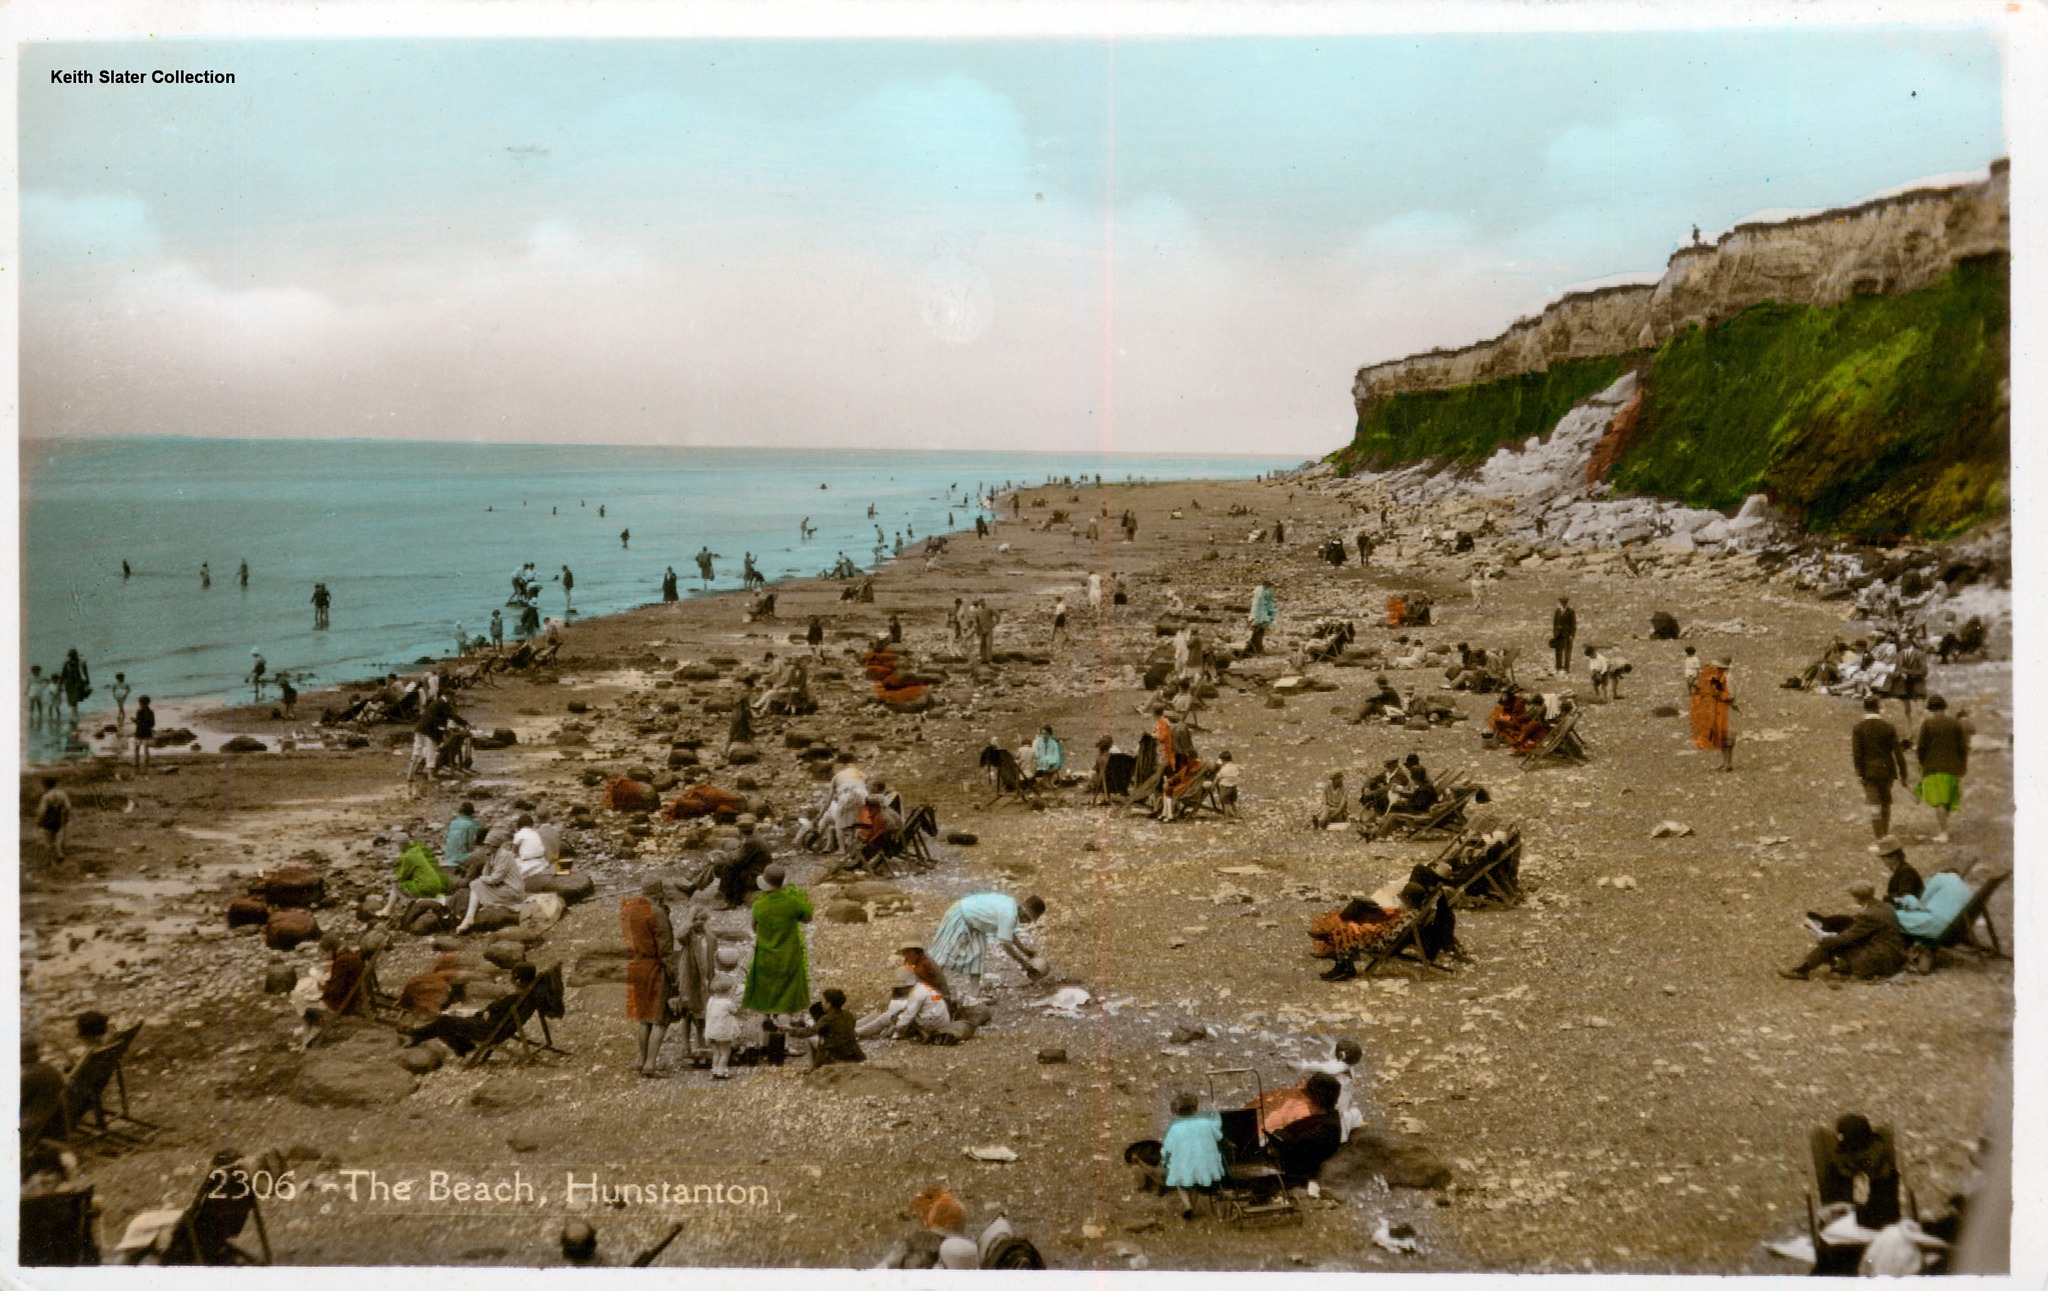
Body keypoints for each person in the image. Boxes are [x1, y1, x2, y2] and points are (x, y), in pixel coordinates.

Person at [929, 892, 1047, 1002]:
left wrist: (1025, 951)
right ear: (1024, 912)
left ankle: (973, 997)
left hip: (974, 923)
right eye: (1029, 919)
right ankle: (927, 987)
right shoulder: (1009, 915)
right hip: (961, 915)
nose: (1027, 923)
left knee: (977, 957)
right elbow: (1006, 944)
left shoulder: (1012, 907)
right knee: (944, 954)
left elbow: (1009, 933)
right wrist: (1023, 963)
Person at [1780, 881, 1908, 980]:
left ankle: (1803, 970)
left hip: (1881, 959)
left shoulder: (1869, 916)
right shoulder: (1886, 907)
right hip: (1894, 955)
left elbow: (1846, 938)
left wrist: (1824, 938)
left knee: (1832, 945)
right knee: (1837, 941)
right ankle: (1826, 967)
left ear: (1857, 897)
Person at [621, 879, 679, 1078]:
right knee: (659, 1018)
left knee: (644, 1018)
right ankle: (650, 1064)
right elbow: (665, 950)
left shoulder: (631, 909)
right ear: (659, 893)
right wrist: (676, 976)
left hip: (637, 965)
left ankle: (641, 1059)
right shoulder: (658, 912)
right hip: (655, 966)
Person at [743, 865, 813, 1020]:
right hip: (789, 956)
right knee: (785, 1002)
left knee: (764, 1002)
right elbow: (808, 917)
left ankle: (763, 1041)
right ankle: (782, 1041)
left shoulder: (758, 906)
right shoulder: (791, 903)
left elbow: (754, 928)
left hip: (765, 956)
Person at [1266, 1073, 1345, 1183]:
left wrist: (1282, 1139)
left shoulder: (1327, 1128)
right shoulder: (1321, 1119)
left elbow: (1296, 1147)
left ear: (1316, 1099)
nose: (1305, 1100)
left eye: (1308, 1096)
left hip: (1298, 1176)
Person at [1158, 1093, 1226, 1218]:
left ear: (1177, 1112)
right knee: (1194, 1186)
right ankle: (1192, 1209)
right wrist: (1215, 1111)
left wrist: (1164, 1160)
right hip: (1203, 1163)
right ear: (1195, 1109)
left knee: (1181, 1185)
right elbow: (1218, 1130)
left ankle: (1187, 1206)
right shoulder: (1205, 1123)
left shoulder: (1175, 1128)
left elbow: (1168, 1148)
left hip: (1183, 1163)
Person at [1851, 696, 1908, 843]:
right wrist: (1904, 774)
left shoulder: (1858, 728)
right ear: (1878, 708)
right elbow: (1898, 753)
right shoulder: (1888, 727)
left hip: (1868, 772)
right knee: (1886, 802)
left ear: (1865, 708)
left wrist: (1859, 773)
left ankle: (1879, 838)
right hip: (1887, 771)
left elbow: (1857, 755)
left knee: (1874, 805)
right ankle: (1885, 834)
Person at [1914, 694, 1968, 843]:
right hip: (1952, 768)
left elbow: (1921, 747)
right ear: (1944, 707)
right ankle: (1944, 828)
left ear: (1931, 709)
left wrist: (1921, 762)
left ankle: (1944, 832)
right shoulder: (1955, 724)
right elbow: (1962, 748)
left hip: (1933, 768)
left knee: (1938, 802)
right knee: (1948, 801)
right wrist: (1962, 766)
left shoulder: (1928, 724)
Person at [453, 835, 526, 934]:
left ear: (495, 845)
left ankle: (469, 917)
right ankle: (469, 917)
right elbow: (485, 874)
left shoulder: (505, 855)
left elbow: (495, 878)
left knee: (476, 884)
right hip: (502, 887)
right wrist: (487, 861)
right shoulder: (492, 855)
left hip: (512, 889)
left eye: (488, 845)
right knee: (477, 884)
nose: (486, 848)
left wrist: (482, 879)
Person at [856, 968, 951, 1041]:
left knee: (887, 1017)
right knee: (891, 1013)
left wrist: (896, 1027)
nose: (900, 991)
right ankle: (857, 1025)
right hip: (938, 1019)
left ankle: (857, 1032)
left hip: (932, 1024)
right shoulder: (921, 987)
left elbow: (905, 1020)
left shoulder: (916, 994)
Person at [673, 907, 718, 1058]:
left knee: (702, 1012)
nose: (699, 922)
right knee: (687, 1011)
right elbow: (679, 935)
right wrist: (688, 923)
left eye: (702, 919)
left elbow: (714, 959)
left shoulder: (710, 938)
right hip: (690, 977)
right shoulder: (688, 937)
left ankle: (702, 1044)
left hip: (704, 979)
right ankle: (685, 1046)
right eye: (696, 919)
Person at [781, 989, 865, 1067]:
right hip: (852, 1053)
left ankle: (813, 1068)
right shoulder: (848, 1015)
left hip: (833, 1053)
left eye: (823, 1001)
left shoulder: (827, 1019)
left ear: (829, 1004)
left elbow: (810, 1032)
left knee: (810, 1040)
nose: (822, 1004)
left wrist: (790, 1031)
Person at [705, 816, 775, 908]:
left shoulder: (751, 841)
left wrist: (723, 857)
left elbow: (736, 861)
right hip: (757, 870)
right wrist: (725, 855)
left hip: (757, 875)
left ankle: (730, 901)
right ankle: (724, 894)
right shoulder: (753, 836)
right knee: (723, 863)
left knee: (728, 867)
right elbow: (740, 854)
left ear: (740, 830)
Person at [703, 948, 744, 1080]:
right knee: (725, 1053)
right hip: (723, 1033)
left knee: (716, 1053)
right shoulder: (727, 1003)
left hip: (711, 1032)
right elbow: (735, 1011)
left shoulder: (711, 1001)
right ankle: (722, 1072)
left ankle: (714, 1071)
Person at [1691, 655, 1735, 770]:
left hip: (1725, 708)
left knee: (1727, 737)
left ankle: (1728, 763)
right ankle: (1725, 762)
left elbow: (1730, 695)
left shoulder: (1727, 677)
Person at [1875, 836, 1924, 901]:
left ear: (1894, 857)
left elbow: (1905, 898)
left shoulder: (1906, 873)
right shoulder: (1901, 871)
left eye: (1884, 858)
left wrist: (1888, 899)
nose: (1883, 861)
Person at [35, 777, 72, 862]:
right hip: (60, 818)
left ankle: (50, 860)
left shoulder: (46, 796)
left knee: (48, 842)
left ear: (46, 786)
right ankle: (60, 854)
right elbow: (68, 807)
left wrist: (39, 821)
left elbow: (42, 811)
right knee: (59, 839)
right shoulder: (62, 794)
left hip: (48, 820)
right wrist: (66, 817)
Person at [444, 802, 483, 874]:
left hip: (448, 857)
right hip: (461, 858)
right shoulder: (471, 825)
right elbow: (470, 845)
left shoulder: (453, 823)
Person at [58, 648, 91, 723]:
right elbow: (62, 675)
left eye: (72, 656)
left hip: (75, 684)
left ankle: (74, 717)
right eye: (71, 656)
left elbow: (62, 675)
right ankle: (74, 716)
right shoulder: (69, 663)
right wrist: (59, 685)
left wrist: (59, 685)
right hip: (70, 684)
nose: (72, 657)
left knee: (73, 700)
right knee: (72, 701)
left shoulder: (78, 663)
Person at [1248, 583, 1276, 654]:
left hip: (1259, 616)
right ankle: (1255, 649)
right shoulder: (1261, 595)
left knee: (1259, 632)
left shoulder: (1261, 594)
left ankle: (1257, 649)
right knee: (1256, 633)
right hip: (1258, 617)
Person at [131, 695, 156, 771]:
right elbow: (152, 724)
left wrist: (134, 720)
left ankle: (136, 765)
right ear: (148, 703)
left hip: (139, 732)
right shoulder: (151, 712)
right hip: (147, 732)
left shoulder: (139, 711)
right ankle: (146, 765)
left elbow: (138, 722)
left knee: (136, 749)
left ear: (140, 703)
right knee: (146, 750)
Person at [1213, 750, 1241, 815]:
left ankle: (1227, 816)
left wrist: (1213, 785)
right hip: (1233, 786)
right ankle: (1236, 813)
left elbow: (1218, 777)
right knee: (1232, 802)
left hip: (1225, 786)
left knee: (1226, 803)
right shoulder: (1234, 767)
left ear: (1223, 760)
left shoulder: (1224, 769)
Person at [973, 599, 997, 665]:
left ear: (985, 603)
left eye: (983, 603)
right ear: (980, 604)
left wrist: (994, 624)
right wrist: (977, 630)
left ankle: (989, 659)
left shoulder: (989, 609)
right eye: (981, 603)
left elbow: (997, 615)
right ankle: (983, 659)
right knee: (982, 645)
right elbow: (976, 621)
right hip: (982, 630)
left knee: (989, 644)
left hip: (989, 629)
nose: (982, 604)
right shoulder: (978, 611)